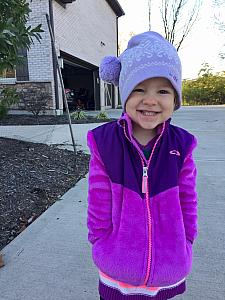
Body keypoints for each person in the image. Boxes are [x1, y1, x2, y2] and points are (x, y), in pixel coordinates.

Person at [87, 31, 198, 300]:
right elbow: (98, 197)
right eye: (139, 89)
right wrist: (100, 239)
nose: (150, 100)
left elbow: (187, 198)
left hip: (167, 266)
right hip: (117, 267)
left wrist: (187, 239)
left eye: (162, 90)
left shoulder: (182, 145)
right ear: (124, 94)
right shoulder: (105, 142)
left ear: (175, 99)